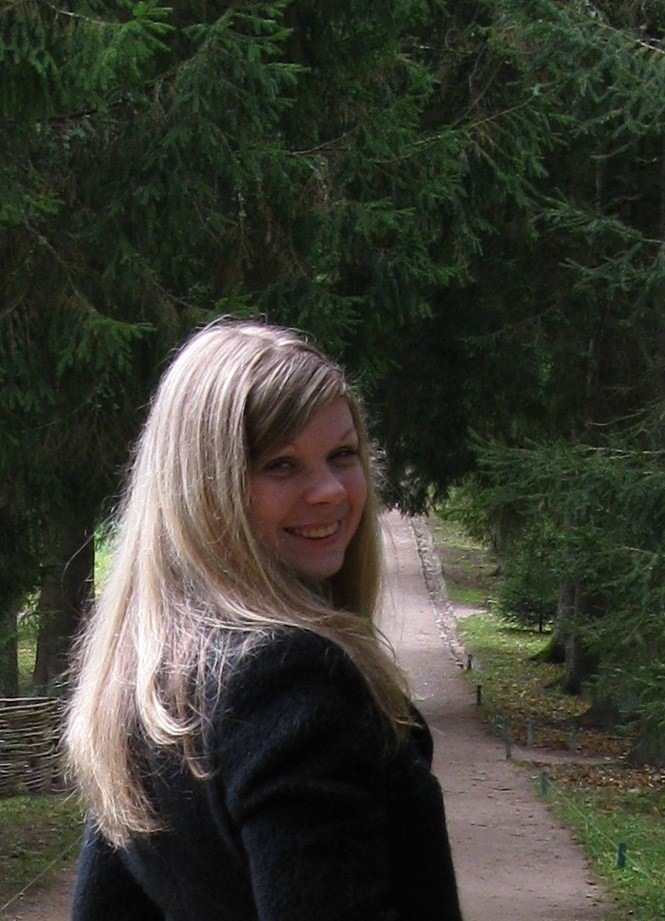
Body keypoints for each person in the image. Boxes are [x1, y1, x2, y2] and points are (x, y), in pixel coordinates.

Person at [64, 319, 463, 921]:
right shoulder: (289, 682)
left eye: (342, 455)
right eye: (281, 464)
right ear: (206, 489)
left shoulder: (151, 675)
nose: (330, 491)